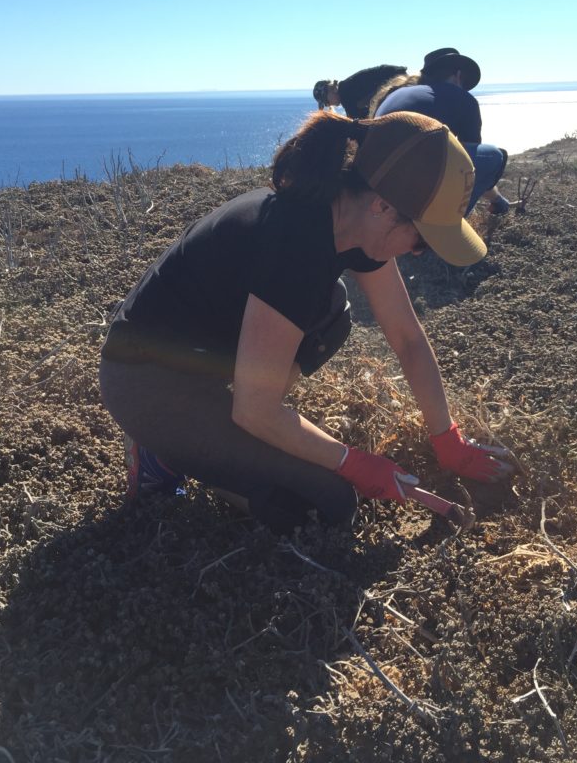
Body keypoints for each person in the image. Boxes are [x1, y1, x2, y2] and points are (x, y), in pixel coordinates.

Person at [99, 111, 515, 534]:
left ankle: (231, 435)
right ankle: (162, 455)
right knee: (325, 505)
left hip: (204, 360)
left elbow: (407, 336)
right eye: (422, 237)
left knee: (332, 311)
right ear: (382, 205)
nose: (418, 252)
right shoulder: (295, 245)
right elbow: (255, 410)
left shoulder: (348, 219)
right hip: (145, 384)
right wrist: (352, 463)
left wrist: (447, 439)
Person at [372, 48, 515, 215]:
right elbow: (467, 168)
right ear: (459, 75)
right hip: (409, 181)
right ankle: (448, 223)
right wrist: (498, 201)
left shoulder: (398, 93)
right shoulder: (462, 98)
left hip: (375, 177)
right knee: (493, 156)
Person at [313, 64, 407, 119]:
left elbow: (359, 124)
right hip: (399, 77)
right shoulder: (346, 87)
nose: (328, 105)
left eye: (326, 101)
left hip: (398, 80)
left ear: (330, 89)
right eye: (326, 104)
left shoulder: (346, 94)